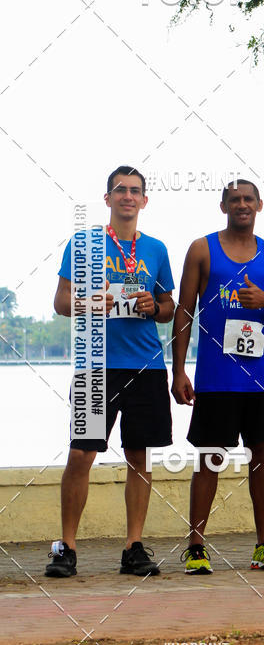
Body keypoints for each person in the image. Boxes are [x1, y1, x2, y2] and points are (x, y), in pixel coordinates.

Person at [45, 166, 175, 578]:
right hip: (94, 367)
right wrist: (89, 302)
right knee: (82, 454)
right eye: (120, 190)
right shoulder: (83, 243)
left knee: (140, 456)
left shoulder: (155, 249)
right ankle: (66, 547)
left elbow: (169, 306)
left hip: (146, 366)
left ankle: (133, 547)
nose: (128, 197)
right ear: (107, 199)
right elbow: (61, 302)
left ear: (144, 200)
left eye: (135, 191)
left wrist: (154, 307)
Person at [172, 180, 264, 574]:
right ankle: (196, 546)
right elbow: (184, 312)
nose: (242, 205)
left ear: (259, 205)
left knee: (262, 456)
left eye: (248, 199)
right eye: (235, 200)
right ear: (223, 205)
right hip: (215, 376)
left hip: (263, 378)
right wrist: (178, 370)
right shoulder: (201, 249)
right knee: (209, 458)